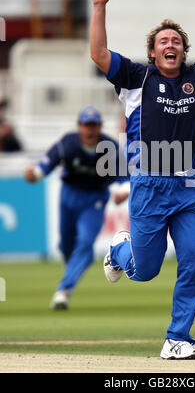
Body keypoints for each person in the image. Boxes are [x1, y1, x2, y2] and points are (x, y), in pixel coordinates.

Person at [90, 0, 195, 359]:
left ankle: (178, 338)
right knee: (146, 270)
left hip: (191, 188)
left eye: (175, 39)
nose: (170, 43)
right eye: (163, 40)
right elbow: (98, 53)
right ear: (153, 50)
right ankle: (119, 252)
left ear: (183, 49)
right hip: (149, 186)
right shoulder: (136, 80)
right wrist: (100, 7)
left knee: (194, 262)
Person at [24, 106, 129, 310]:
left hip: (95, 199)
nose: (90, 130)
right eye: (86, 125)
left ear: (99, 127)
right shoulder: (68, 144)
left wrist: (123, 191)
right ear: (79, 126)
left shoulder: (109, 147)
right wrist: (33, 175)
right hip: (69, 197)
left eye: (94, 125)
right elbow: (44, 166)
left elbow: (125, 178)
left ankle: (63, 290)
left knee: (85, 240)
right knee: (65, 246)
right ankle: (82, 259)